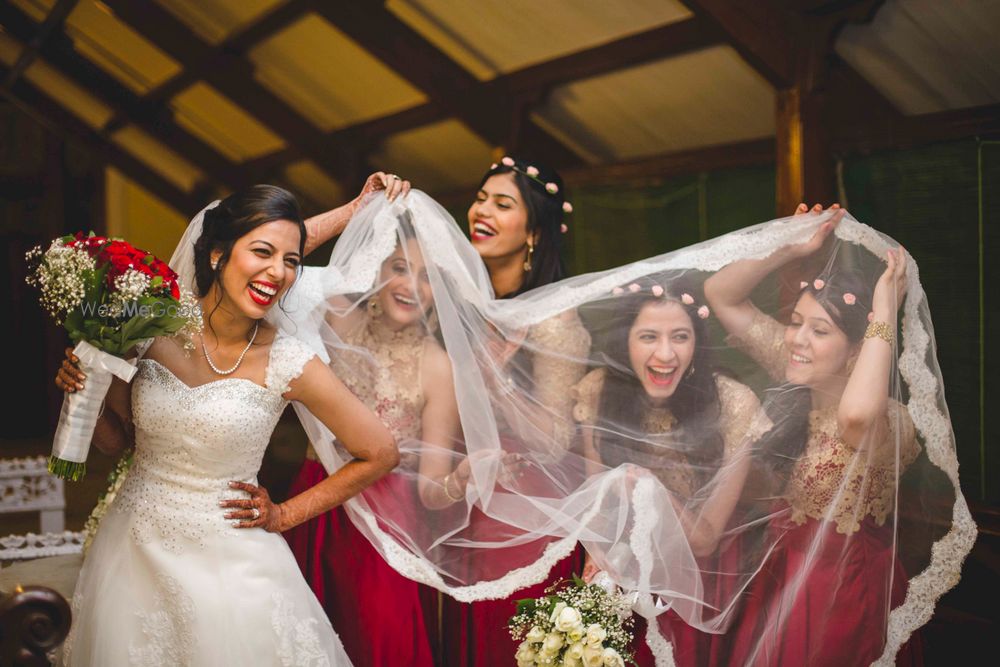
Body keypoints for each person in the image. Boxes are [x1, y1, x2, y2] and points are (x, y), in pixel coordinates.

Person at [54, 185, 397, 666]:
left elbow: (380, 451)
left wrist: (284, 516)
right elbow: (118, 442)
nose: (278, 272)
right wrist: (82, 386)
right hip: (131, 550)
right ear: (217, 254)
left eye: (292, 261)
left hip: (233, 565)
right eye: (263, 252)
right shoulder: (151, 328)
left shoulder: (289, 360)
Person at [703, 205, 923, 665]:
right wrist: (785, 249)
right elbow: (720, 294)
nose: (796, 339)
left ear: (856, 350)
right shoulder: (797, 372)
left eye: (818, 330)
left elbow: (857, 417)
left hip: (843, 591)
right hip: (779, 578)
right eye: (796, 322)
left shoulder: (891, 419)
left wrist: (884, 309)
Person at [283, 221, 461, 666]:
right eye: (401, 268)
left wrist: (462, 478)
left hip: (383, 533)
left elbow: (431, 489)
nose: (411, 286)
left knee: (375, 642)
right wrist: (360, 209)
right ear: (375, 271)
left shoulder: (438, 366)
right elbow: (286, 255)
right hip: (312, 507)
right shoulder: (335, 319)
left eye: (428, 277)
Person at [573, 278, 770, 665]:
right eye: (648, 336)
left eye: (680, 337)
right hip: (621, 565)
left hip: (697, 580)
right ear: (624, 342)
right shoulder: (598, 391)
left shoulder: (734, 403)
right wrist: (597, 581)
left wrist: (649, 486)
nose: (665, 354)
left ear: (696, 343)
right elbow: (597, 509)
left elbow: (705, 541)